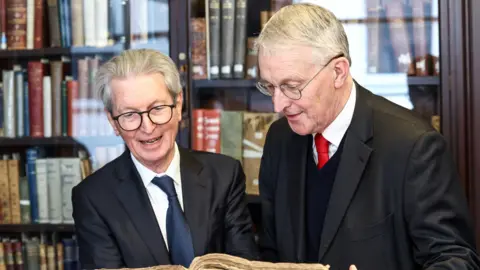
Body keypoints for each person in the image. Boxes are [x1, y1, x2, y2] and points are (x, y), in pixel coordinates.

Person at [255, 3, 480, 270]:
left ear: (338, 71)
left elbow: (456, 260)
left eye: (291, 87)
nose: (278, 105)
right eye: (269, 86)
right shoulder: (280, 139)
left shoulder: (413, 147)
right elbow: (271, 252)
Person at [71, 49, 259, 269]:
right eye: (130, 115)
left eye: (158, 108)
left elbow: (245, 265)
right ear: (113, 122)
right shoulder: (93, 198)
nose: (148, 127)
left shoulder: (224, 175)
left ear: (178, 105)